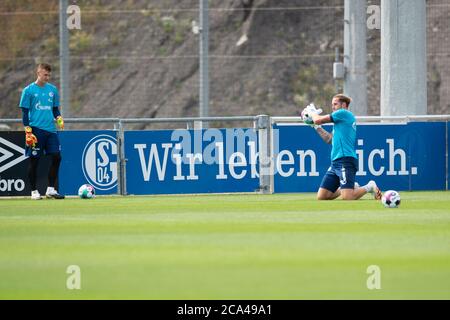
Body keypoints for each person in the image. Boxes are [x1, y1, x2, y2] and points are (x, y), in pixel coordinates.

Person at [301, 94, 382, 201]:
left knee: (348, 197)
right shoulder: (339, 122)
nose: (333, 107)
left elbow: (317, 119)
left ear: (343, 105)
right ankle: (351, 187)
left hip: (345, 160)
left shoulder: (343, 113)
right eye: (332, 104)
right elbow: (329, 139)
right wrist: (316, 127)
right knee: (322, 196)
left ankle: (370, 186)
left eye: (335, 104)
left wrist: (312, 114)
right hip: (335, 162)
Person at [19, 63, 65, 200]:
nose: (47, 77)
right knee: (35, 160)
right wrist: (28, 130)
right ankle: (33, 191)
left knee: (57, 157)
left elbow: (55, 109)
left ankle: (50, 190)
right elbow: (24, 112)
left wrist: (59, 118)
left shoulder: (53, 90)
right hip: (36, 130)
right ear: (38, 73)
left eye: (49, 75)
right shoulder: (28, 90)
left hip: (51, 130)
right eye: (45, 74)